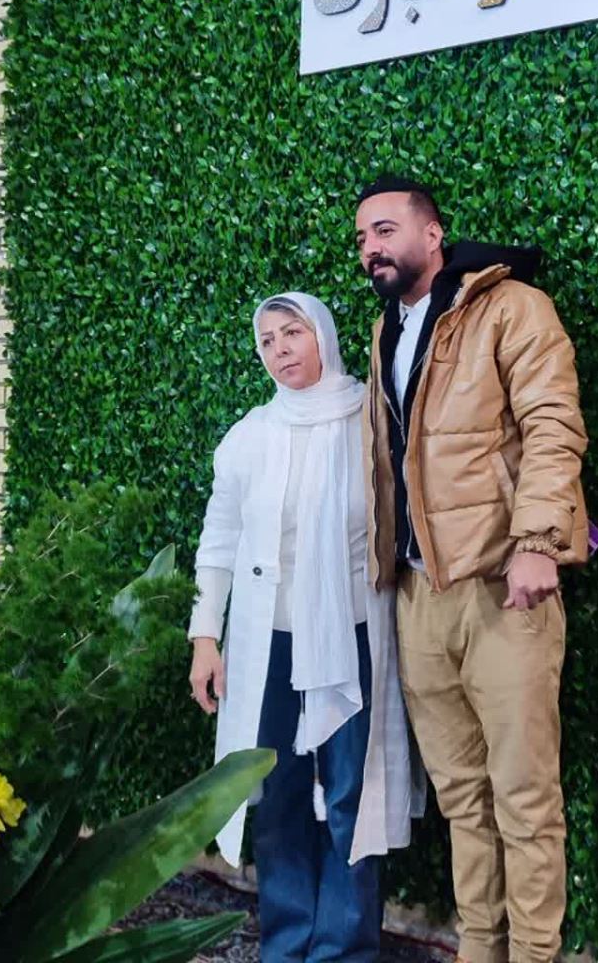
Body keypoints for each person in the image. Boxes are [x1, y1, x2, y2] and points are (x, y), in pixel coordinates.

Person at [353, 176, 590, 963]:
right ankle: (480, 950)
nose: (371, 249)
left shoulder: (513, 308)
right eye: (362, 239)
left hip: (501, 589)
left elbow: (553, 424)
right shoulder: (386, 330)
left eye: (385, 230)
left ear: (433, 234)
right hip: (418, 595)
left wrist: (538, 541)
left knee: (524, 797)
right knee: (461, 797)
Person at [188, 292, 420, 963]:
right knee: (277, 790)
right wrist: (205, 637)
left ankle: (344, 947)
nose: (279, 349)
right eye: (266, 340)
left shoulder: (371, 420)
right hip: (266, 644)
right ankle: (286, 943)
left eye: (292, 332)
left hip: (352, 633)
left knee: (352, 792)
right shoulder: (250, 435)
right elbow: (219, 540)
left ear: (323, 336)